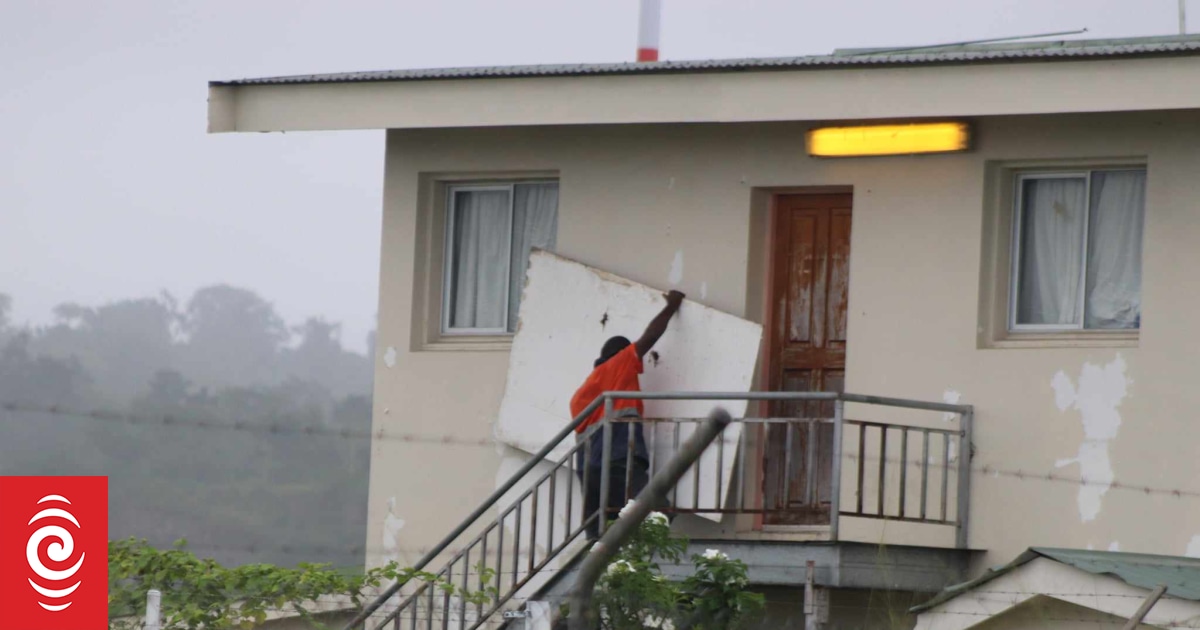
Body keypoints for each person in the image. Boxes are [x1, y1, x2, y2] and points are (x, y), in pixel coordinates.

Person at [570, 289, 685, 540]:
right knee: (658, 510)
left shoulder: (584, 392)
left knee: (599, 530)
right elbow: (650, 337)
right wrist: (671, 307)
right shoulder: (619, 364)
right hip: (618, 454)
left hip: (590, 469)